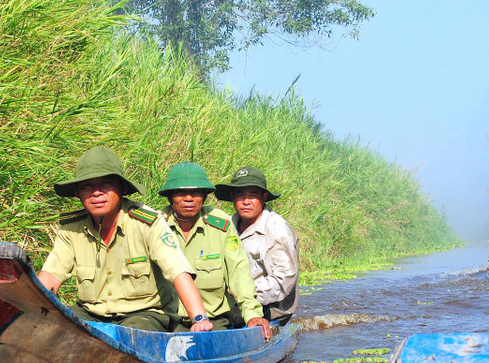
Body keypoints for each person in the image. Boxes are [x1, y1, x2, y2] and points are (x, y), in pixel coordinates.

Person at [38, 146, 214, 333]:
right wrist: (34, 311)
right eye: (87, 186)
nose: (96, 193)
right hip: (90, 313)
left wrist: (199, 318)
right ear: (77, 192)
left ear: (121, 189)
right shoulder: (72, 229)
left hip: (144, 314)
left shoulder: (147, 223)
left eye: (106, 184)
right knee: (52, 330)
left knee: (129, 335)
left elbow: (177, 271)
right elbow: (51, 276)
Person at [157, 162, 272, 342]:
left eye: (196, 193)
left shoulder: (220, 224)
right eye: (181, 193)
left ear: (204, 196)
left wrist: (252, 314)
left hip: (213, 320)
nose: (189, 198)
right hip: (169, 320)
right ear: (170, 197)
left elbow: (239, 272)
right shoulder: (156, 226)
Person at [215, 166, 299, 325]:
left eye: (252, 196)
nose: (246, 202)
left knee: (219, 317)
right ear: (232, 197)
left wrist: (241, 294)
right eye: (240, 195)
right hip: (235, 298)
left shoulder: (278, 230)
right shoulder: (228, 225)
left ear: (263, 197)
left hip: (269, 306)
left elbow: (283, 281)